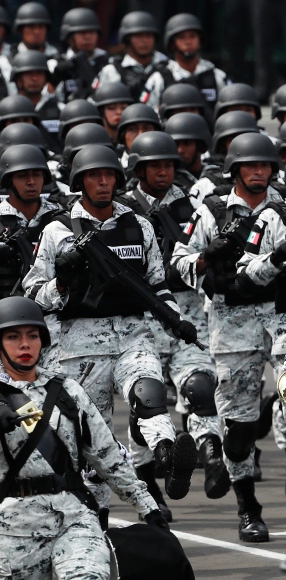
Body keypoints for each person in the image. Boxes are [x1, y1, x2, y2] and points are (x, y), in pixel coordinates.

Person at [22, 145, 198, 528]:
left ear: (118, 179)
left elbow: (157, 285)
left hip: (133, 334)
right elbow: (32, 295)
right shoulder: (57, 231)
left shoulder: (139, 225)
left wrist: (176, 320)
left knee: (149, 392)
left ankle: (167, 457)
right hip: (79, 348)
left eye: (109, 175)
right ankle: (95, 527)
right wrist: (61, 282)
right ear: (80, 181)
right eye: (94, 176)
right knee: (93, 442)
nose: (103, 182)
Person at [0, 296, 167, 579]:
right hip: (15, 526)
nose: (25, 344)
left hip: (74, 516)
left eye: (32, 336)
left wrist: (147, 507)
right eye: (13, 337)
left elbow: (107, 456)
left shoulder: (68, 390)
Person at [173, 133, 280, 542]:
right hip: (231, 323)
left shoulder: (283, 207)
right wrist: (206, 257)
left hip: (281, 316)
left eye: (265, 165)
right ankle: (248, 507)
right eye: (251, 166)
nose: (259, 172)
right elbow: (178, 261)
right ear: (235, 169)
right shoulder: (212, 211)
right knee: (238, 431)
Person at [116, 132, 227, 507]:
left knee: (200, 388)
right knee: (146, 400)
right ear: (139, 170)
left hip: (184, 312)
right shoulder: (121, 210)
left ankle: (211, 456)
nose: (163, 172)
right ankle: (148, 481)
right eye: (155, 166)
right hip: (140, 317)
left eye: (168, 165)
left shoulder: (194, 207)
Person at [0, 145, 62, 306]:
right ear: (8, 180)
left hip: (53, 316)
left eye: (36, 175)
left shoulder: (62, 221)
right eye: (22, 176)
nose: (31, 182)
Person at [143, 14, 229, 114]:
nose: (188, 42)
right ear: (172, 43)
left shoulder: (217, 76)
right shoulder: (159, 79)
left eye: (192, 36)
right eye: (181, 37)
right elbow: (146, 113)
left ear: (200, 40)